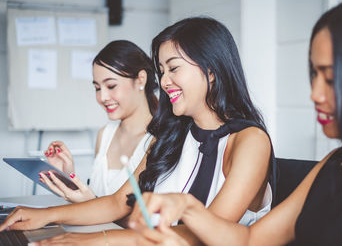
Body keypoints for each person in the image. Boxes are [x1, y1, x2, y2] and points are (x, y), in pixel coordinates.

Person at [129, 0, 342, 246]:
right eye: (314, 75)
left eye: (329, 78)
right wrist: (187, 208)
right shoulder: (338, 160)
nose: (315, 94)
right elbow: (250, 238)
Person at [0, 17, 275, 245]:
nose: (165, 82)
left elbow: (206, 234)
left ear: (211, 71)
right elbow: (119, 202)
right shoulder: (173, 134)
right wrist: (46, 215)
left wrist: (99, 240)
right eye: (162, 71)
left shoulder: (250, 141)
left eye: (174, 68)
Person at [40, 40, 158, 203]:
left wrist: (91, 202)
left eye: (110, 86)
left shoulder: (159, 139)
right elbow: (96, 199)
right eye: (97, 88)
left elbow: (147, 217)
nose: (102, 97)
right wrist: (68, 178)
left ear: (140, 80)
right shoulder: (105, 135)